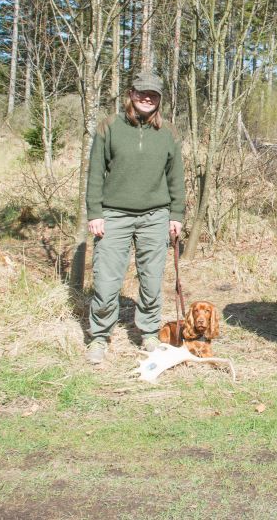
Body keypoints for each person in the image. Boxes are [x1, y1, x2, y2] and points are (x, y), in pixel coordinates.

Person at [84, 71, 185, 364]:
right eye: (142, 92)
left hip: (155, 216)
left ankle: (149, 332)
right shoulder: (109, 126)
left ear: (159, 100)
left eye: (153, 94)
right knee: (106, 280)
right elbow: (95, 174)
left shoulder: (168, 132)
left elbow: (176, 177)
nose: (147, 98)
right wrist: (95, 213)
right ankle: (100, 337)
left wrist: (176, 214)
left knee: (152, 279)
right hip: (113, 215)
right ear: (130, 94)